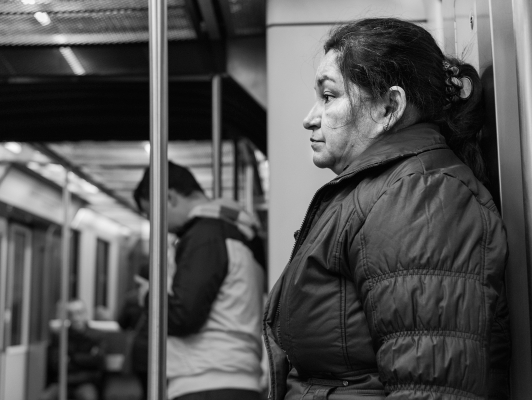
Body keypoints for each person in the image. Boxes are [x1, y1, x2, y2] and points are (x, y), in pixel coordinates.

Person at [264, 18, 511, 400]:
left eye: (329, 96)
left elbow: (432, 389)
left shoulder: (421, 196)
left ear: (389, 107)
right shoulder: (383, 190)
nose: (310, 118)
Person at [133, 161, 266, 400]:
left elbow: (184, 315)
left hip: (205, 380)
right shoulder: (238, 233)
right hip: (236, 375)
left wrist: (148, 296)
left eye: (152, 213)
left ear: (169, 197)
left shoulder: (204, 236)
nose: (156, 225)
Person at [41, 299, 105, 400]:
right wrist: (86, 358)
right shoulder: (60, 337)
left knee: (88, 397)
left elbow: (98, 361)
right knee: (45, 398)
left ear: (85, 314)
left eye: (79, 313)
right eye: (71, 314)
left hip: (86, 382)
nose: (75, 318)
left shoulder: (97, 336)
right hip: (63, 381)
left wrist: (72, 357)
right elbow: (56, 363)